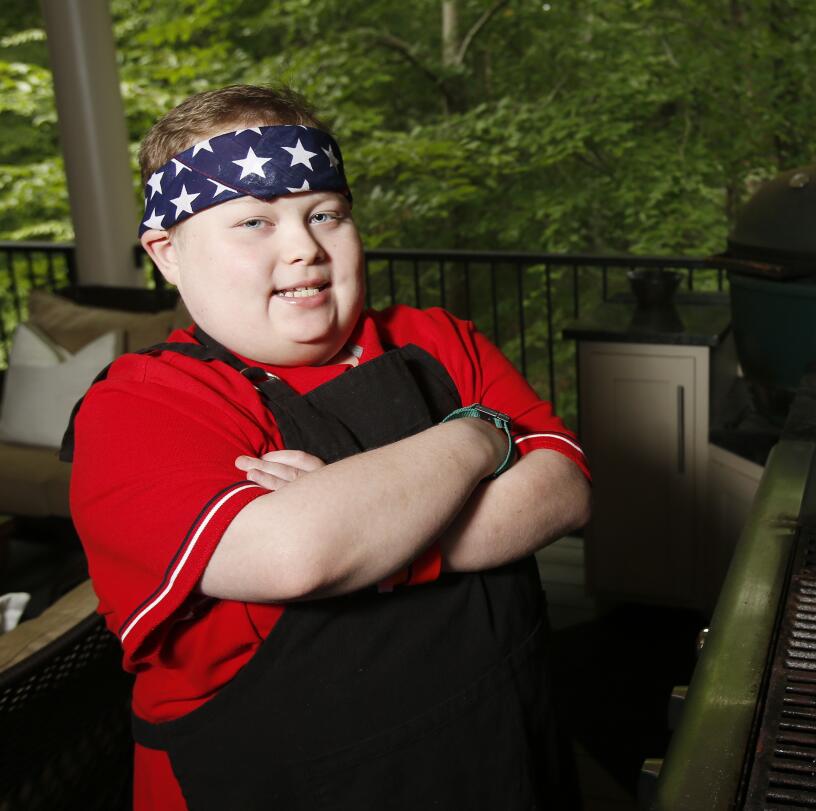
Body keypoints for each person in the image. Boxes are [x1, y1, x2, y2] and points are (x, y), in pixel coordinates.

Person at [65, 84, 592, 811]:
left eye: (326, 214)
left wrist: (365, 525)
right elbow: (298, 553)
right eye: (253, 221)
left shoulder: (437, 339)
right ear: (167, 253)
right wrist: (479, 435)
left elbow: (564, 488)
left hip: (500, 759)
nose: (304, 247)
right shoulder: (139, 405)